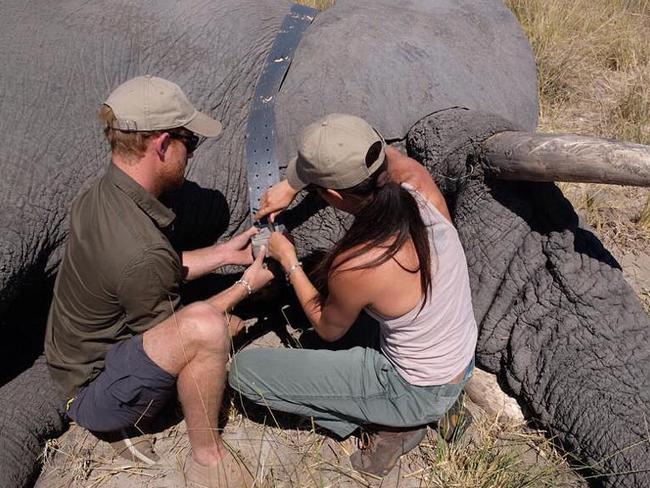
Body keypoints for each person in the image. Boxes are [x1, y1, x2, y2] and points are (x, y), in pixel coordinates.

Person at [44, 76, 273, 488]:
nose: (191, 155)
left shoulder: (102, 195)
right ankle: (207, 459)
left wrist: (223, 255)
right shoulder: (139, 250)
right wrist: (246, 287)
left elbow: (151, 267)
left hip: (74, 358)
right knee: (210, 330)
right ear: (163, 145)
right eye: (190, 143)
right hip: (96, 391)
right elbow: (180, 328)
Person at [228, 113, 477, 477]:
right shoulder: (418, 182)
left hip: (413, 388)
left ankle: (395, 423)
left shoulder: (360, 263)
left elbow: (328, 328)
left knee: (244, 372)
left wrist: (289, 260)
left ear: (332, 195)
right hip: (459, 362)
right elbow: (377, 153)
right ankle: (424, 408)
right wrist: (292, 184)